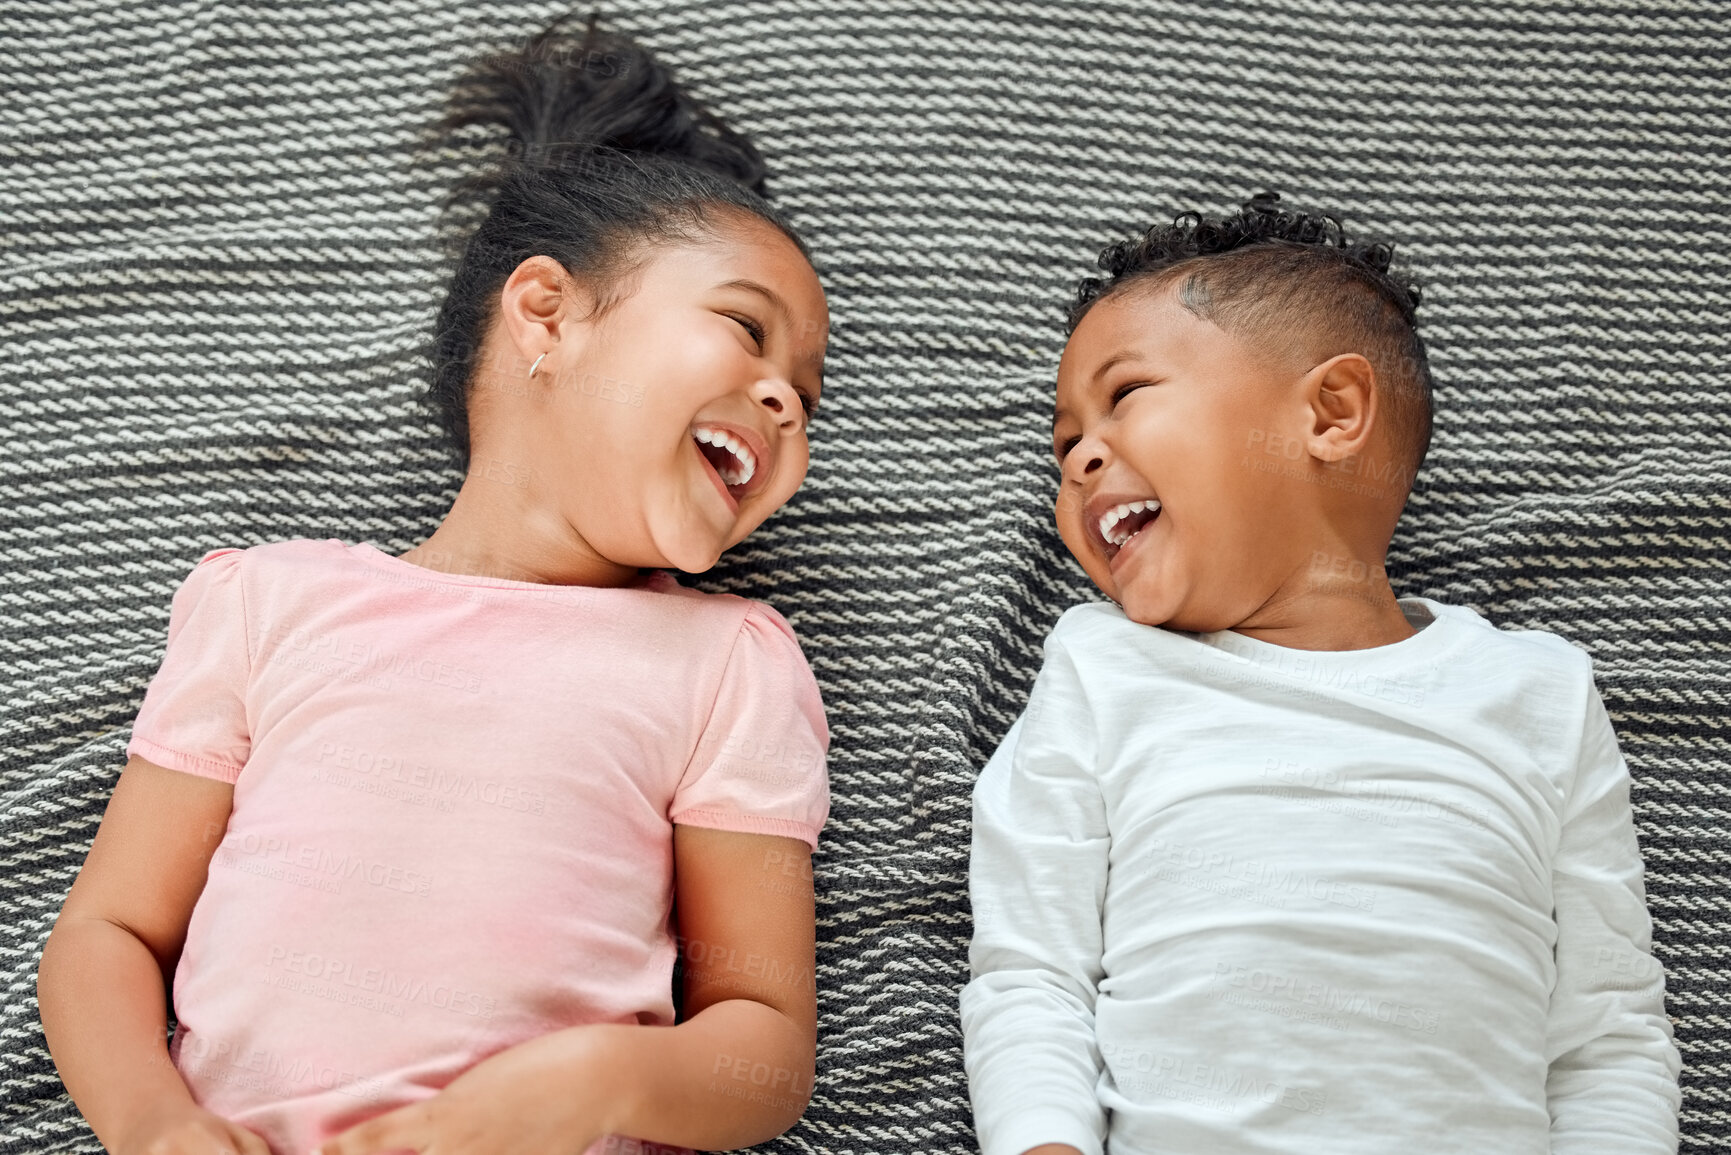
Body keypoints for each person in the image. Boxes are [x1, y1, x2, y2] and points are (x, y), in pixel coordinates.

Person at [36, 13, 832, 1155]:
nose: (784, 399)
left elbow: (762, 1048)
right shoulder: (271, 605)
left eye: (808, 390)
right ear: (545, 314)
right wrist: (155, 1124)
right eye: (746, 332)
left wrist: (590, 1083)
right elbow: (107, 930)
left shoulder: (728, 664)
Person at [958, 193, 1681, 1155]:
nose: (1081, 456)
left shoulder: (1536, 692)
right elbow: (1030, 971)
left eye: (1124, 395)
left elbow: (1605, 1034)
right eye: (1063, 446)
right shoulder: (1104, 667)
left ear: (1332, 414)